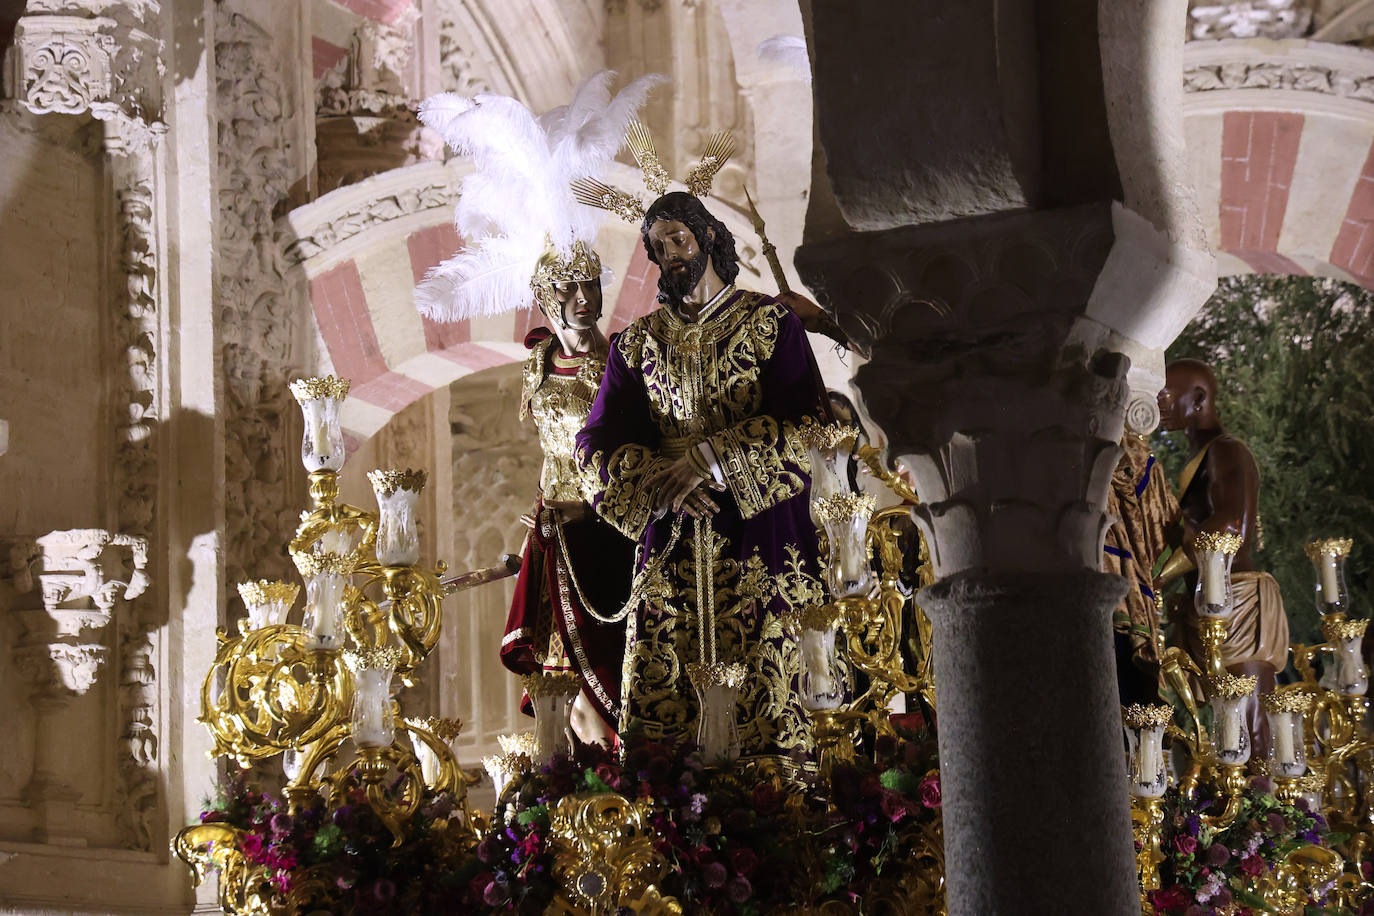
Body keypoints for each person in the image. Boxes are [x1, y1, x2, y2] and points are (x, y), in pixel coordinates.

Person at [415, 72, 659, 744]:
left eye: (590, 286)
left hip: (615, 529)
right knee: (561, 682)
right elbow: (551, 450)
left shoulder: (626, 362)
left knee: (615, 671)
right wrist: (538, 507)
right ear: (551, 298)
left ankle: (620, 764)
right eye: (570, 289)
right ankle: (572, 778)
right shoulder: (540, 362)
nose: (583, 298)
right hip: (556, 523)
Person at [574, 149, 830, 761]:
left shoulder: (769, 325)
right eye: (657, 249)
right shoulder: (637, 344)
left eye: (679, 241)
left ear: (709, 238)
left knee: (768, 706)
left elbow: (812, 424)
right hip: (671, 537)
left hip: (759, 536)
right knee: (668, 727)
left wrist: (716, 459)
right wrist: (663, 480)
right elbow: (593, 445)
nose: (670, 258)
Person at [1155, 358, 1289, 750]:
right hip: (1209, 607)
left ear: (1198, 399)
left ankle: (1265, 811)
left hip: (1239, 607)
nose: (1159, 402)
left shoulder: (1227, 451)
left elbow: (1231, 524)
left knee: (1251, 730)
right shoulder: (1201, 461)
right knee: (1225, 736)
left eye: (1166, 395)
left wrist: (1161, 573)